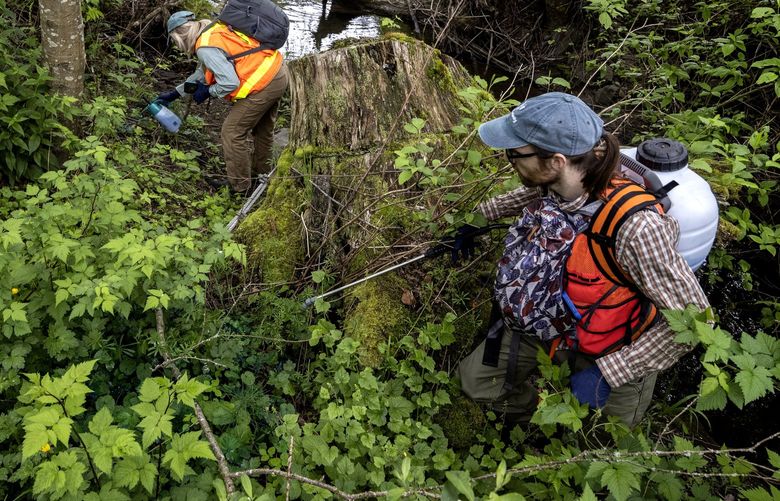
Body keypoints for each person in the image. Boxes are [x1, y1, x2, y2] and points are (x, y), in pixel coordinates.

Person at [457, 92, 710, 428]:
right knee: (477, 383)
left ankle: (578, 440)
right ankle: (544, 419)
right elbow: (535, 190)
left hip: (616, 346)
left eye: (514, 154)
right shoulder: (567, 177)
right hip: (551, 320)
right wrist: (478, 218)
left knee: (605, 439)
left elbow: (698, 323)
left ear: (556, 161)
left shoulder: (636, 229)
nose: (510, 160)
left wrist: (609, 373)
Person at [157, 11, 289, 194]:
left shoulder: (204, 47)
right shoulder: (213, 30)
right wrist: (175, 93)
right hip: (277, 72)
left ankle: (240, 188)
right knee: (262, 131)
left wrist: (209, 92)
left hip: (264, 84)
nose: (176, 45)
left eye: (174, 40)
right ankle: (262, 178)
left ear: (180, 35)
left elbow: (229, 82)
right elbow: (203, 72)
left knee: (232, 132)